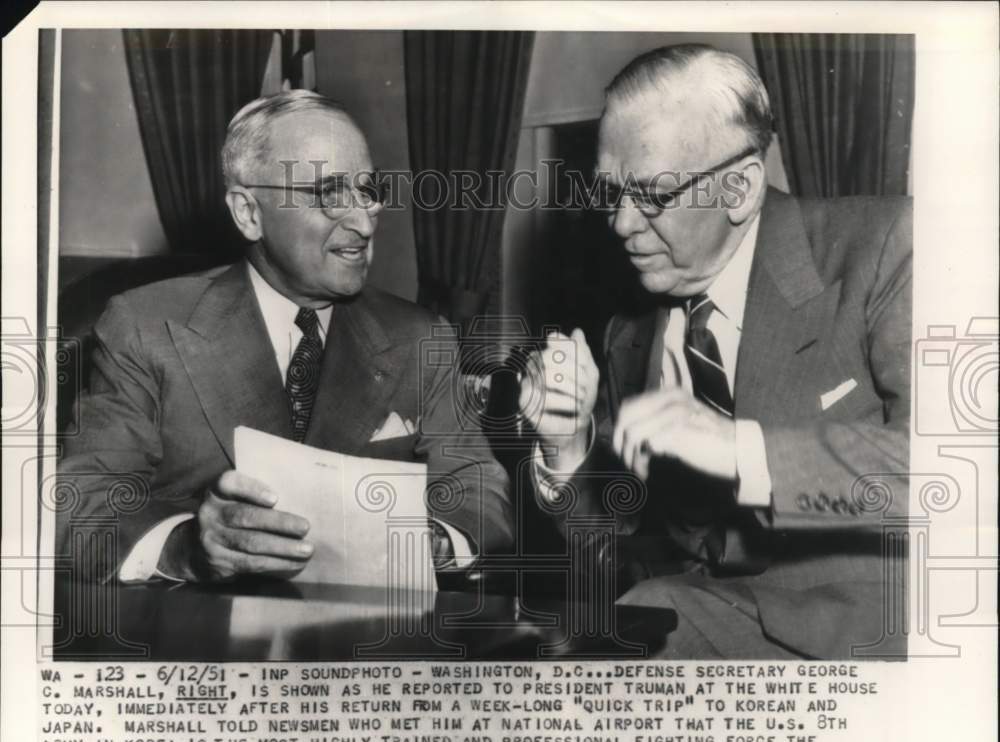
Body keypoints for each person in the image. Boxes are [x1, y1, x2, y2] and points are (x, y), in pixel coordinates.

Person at [521, 44, 911, 659]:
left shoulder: (885, 246)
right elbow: (617, 577)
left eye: (649, 195)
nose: (621, 224)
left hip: (871, 648)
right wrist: (565, 450)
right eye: (610, 192)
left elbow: (955, 470)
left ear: (740, 186)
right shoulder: (628, 334)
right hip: (697, 641)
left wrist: (737, 450)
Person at [58, 90, 512, 584]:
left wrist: (440, 540)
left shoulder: (421, 338)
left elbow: (477, 487)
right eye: (330, 193)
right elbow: (81, 509)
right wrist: (185, 547)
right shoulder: (145, 327)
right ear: (248, 213)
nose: (362, 222)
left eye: (369, 191)